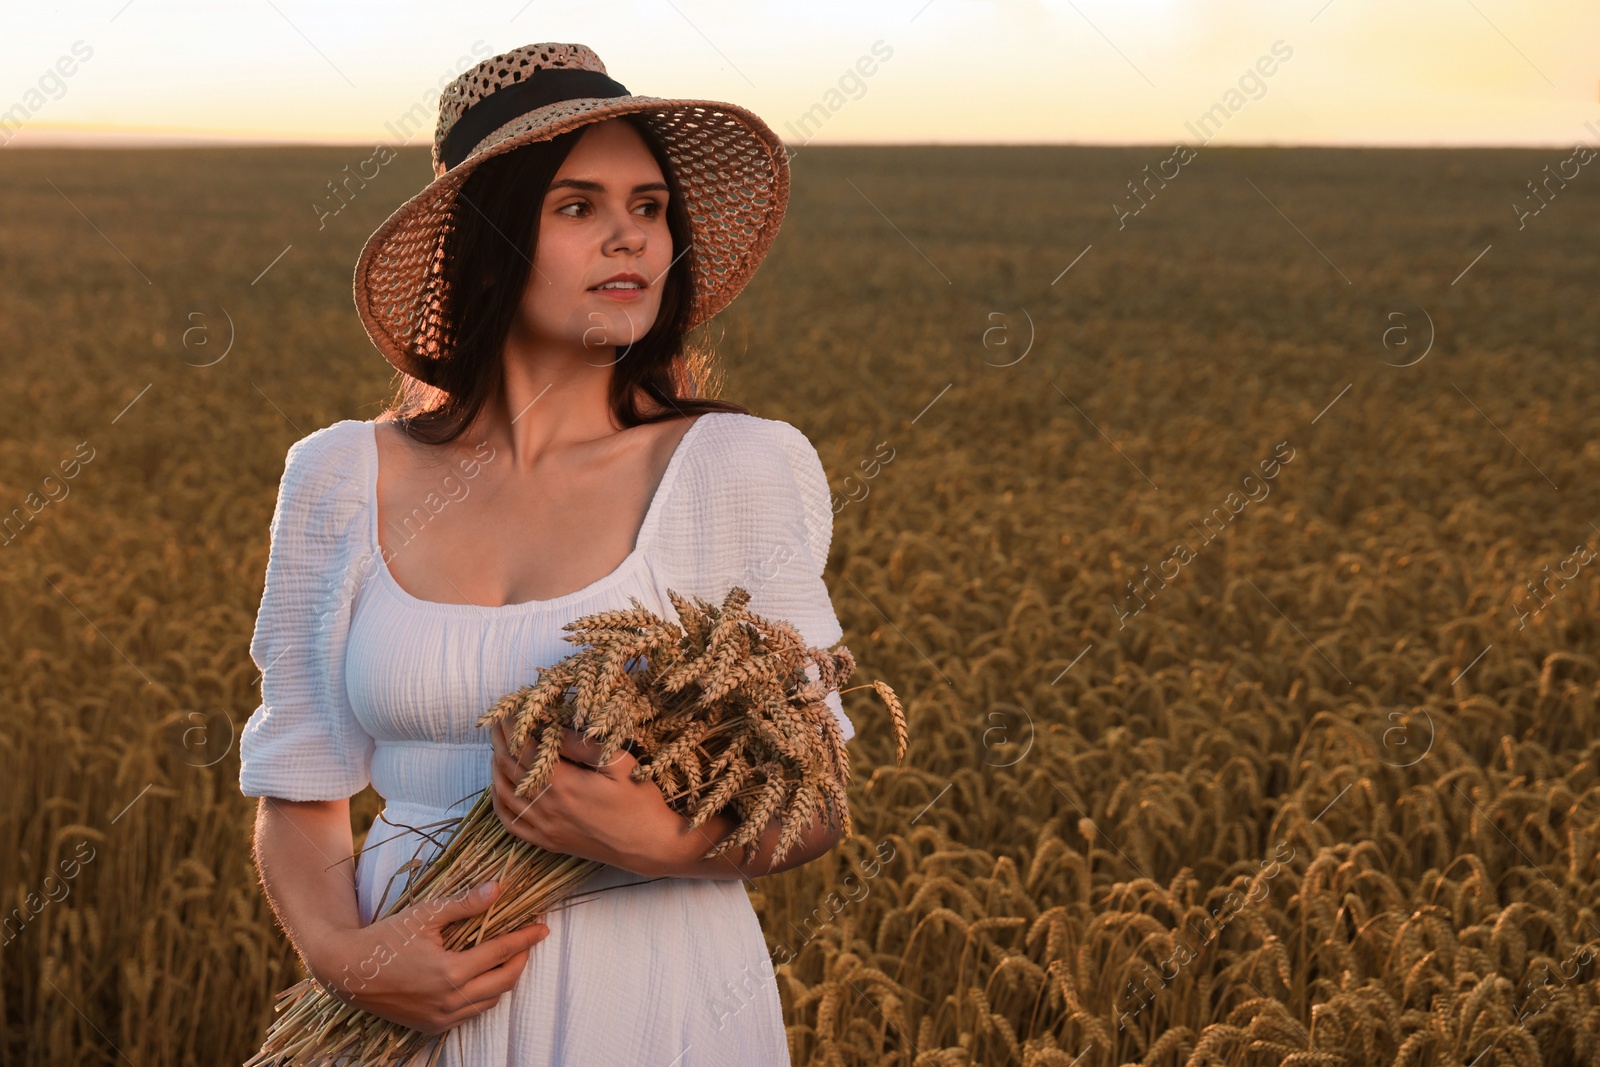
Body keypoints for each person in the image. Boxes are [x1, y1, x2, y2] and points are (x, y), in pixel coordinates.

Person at [237, 42, 854, 1066]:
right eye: (578, 207)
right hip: (400, 1006)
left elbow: (817, 787)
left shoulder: (736, 467)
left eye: (649, 207)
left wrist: (660, 840)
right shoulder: (338, 475)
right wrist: (346, 958)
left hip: (655, 1002)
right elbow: (298, 790)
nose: (630, 237)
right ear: (485, 245)